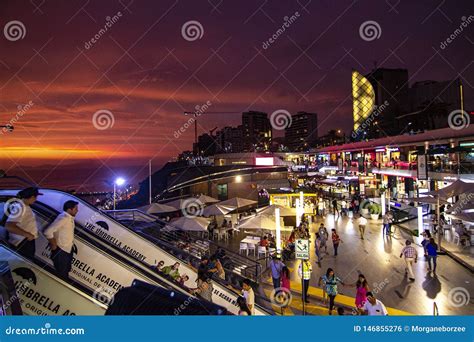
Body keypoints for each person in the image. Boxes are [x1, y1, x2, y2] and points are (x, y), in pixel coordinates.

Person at [44, 200, 78, 280]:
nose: (77, 210)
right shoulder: (63, 218)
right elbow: (48, 232)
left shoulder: (69, 218)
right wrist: (54, 245)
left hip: (66, 250)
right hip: (61, 251)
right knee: (61, 274)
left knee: (64, 272)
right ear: (69, 209)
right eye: (75, 208)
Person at [4, 187, 43, 259]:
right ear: (32, 197)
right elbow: (9, 226)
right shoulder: (20, 207)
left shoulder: (24, 206)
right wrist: (28, 235)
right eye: (35, 197)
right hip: (22, 242)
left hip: (25, 241)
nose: (36, 199)